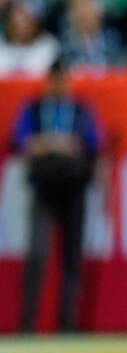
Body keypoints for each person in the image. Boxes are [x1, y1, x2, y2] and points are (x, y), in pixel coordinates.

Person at [10, 57, 102, 333]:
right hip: (44, 187)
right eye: (56, 80)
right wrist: (59, 144)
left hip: (74, 187)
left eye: (65, 80)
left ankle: (68, 322)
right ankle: (28, 322)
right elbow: (21, 141)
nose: (61, 85)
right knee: (38, 253)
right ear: (49, 81)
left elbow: (92, 143)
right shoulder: (34, 108)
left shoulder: (82, 110)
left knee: (72, 257)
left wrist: (47, 143)